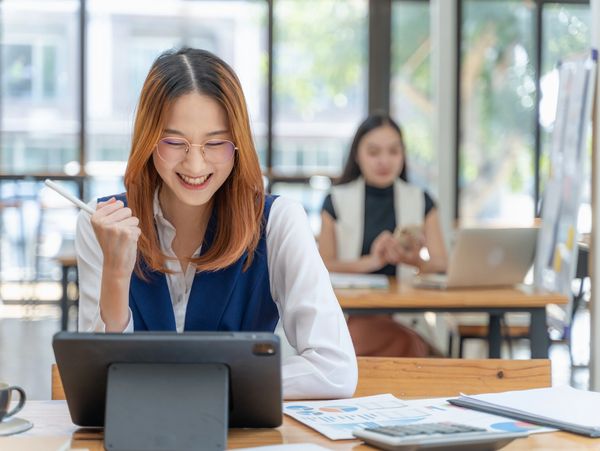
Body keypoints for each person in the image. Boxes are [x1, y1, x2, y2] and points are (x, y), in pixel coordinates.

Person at [75, 48, 357, 400]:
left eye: (216, 143)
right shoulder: (100, 222)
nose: (195, 165)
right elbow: (97, 385)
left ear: (238, 143)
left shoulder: (279, 221)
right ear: (148, 141)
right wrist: (117, 275)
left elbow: (335, 370)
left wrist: (203, 384)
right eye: (175, 142)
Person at [318, 112, 448, 356]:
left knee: (416, 349)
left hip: (407, 316)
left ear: (403, 155)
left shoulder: (421, 200)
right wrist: (372, 262)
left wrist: (411, 260)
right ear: (357, 155)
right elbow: (323, 265)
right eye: (374, 152)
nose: (384, 161)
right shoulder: (335, 200)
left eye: (393, 151)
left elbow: (442, 264)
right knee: (416, 352)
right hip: (353, 316)